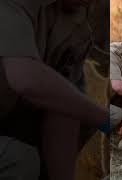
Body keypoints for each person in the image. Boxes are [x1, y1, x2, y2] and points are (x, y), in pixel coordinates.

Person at [0, 0, 108, 179]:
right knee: (19, 161)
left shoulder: (77, 17)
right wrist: (104, 119)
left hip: (13, 123)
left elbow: (62, 105)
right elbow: (26, 78)